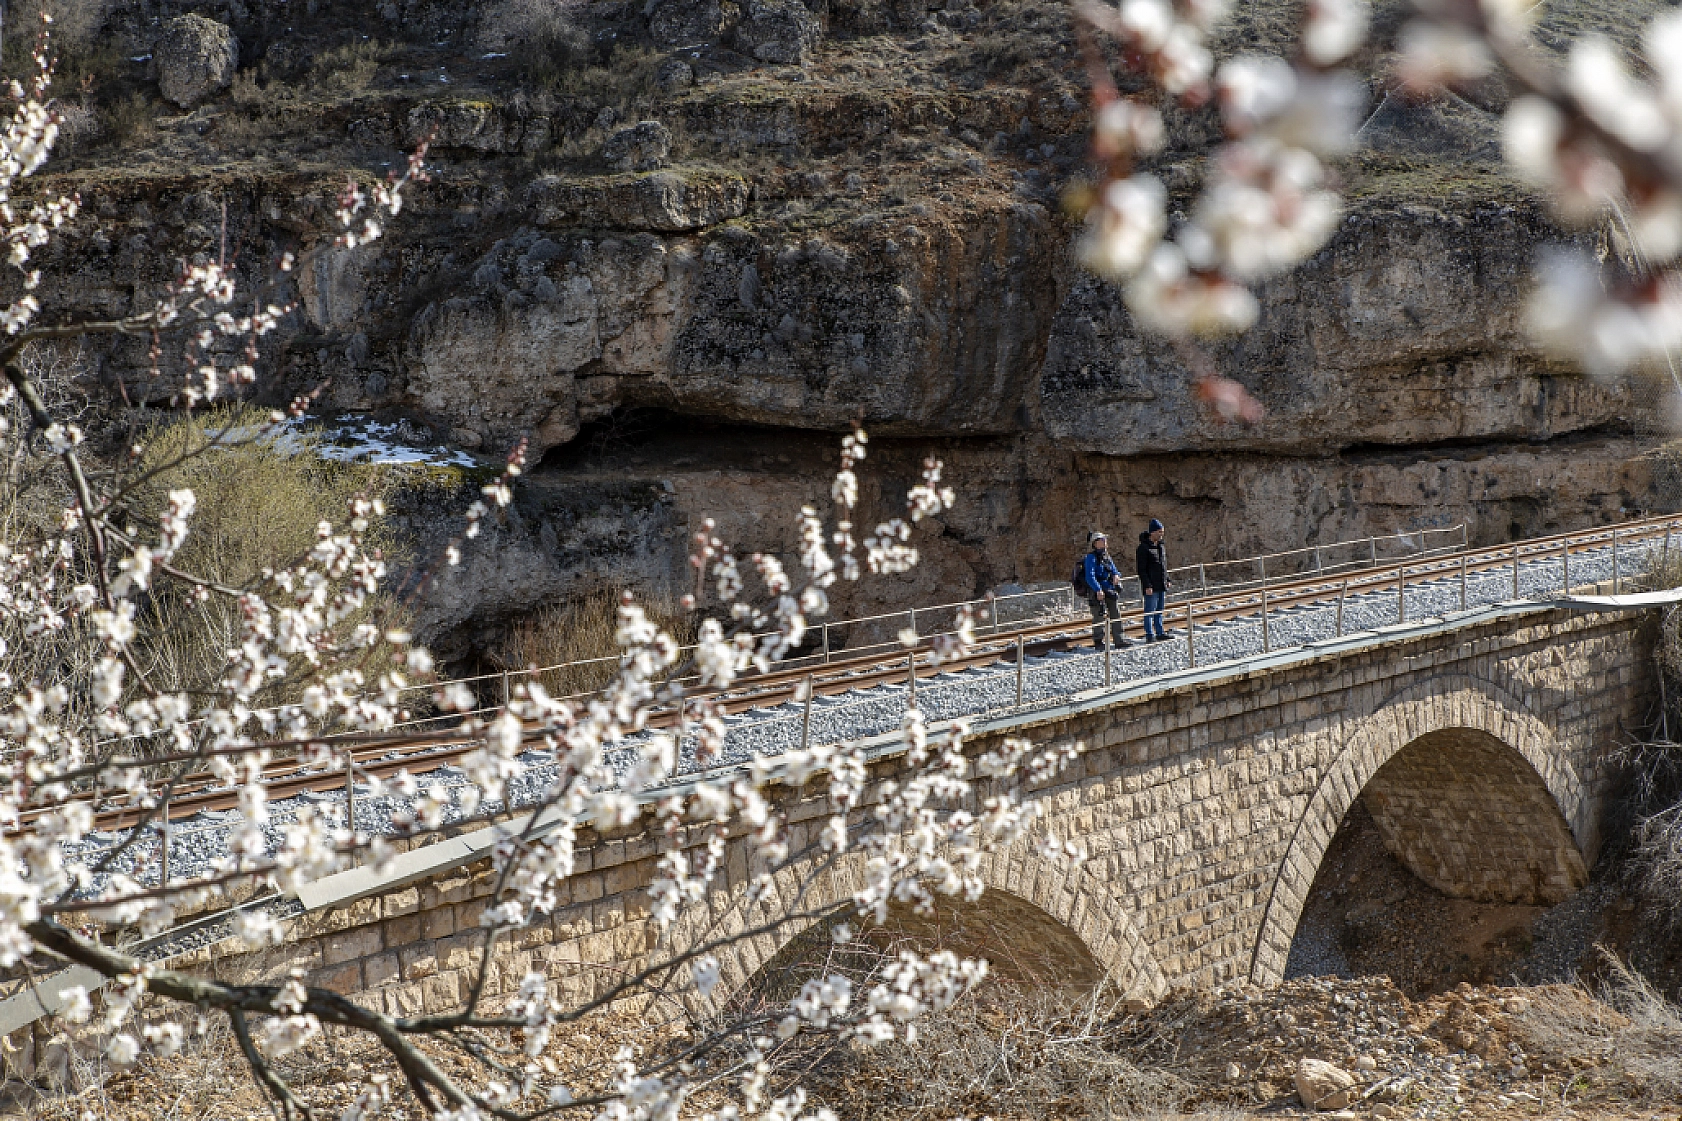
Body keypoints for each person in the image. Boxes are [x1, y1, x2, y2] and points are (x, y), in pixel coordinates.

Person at [1083, 531, 1132, 649]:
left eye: (1104, 539)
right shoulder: (1091, 558)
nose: (1104, 541)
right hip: (1097, 591)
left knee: (1115, 613)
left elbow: (1114, 569)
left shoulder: (1106, 556)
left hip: (1109, 589)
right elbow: (1090, 576)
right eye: (1101, 540)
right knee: (1098, 615)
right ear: (1095, 543)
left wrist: (1116, 575)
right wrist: (1097, 589)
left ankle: (1119, 640)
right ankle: (1098, 642)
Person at [1137, 518, 1170, 641]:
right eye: (1159, 532)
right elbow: (1141, 569)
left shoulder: (1161, 547)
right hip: (1151, 585)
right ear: (1152, 532)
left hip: (1161, 583)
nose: (1162, 534)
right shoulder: (1143, 548)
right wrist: (1147, 585)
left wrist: (1167, 578)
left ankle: (1160, 632)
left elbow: (1163, 565)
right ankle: (1149, 634)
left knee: (1159, 610)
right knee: (1149, 611)